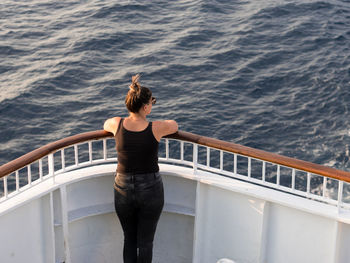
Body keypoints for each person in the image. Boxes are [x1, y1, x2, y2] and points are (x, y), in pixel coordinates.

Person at [103, 74, 178, 263]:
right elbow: (174, 125)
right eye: (152, 102)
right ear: (146, 107)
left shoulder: (116, 123)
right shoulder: (156, 128)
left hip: (122, 188)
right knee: (145, 242)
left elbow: (105, 125)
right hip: (151, 189)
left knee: (129, 239)